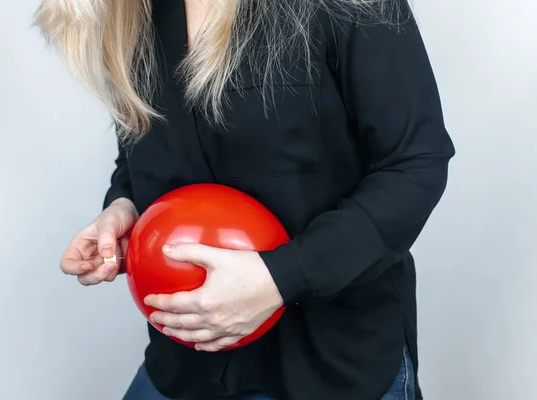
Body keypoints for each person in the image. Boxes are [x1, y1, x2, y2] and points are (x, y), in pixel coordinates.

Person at [35, 0, 455, 399]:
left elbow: (415, 163)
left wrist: (281, 278)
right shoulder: (132, 13)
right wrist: (123, 206)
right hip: (187, 367)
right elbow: (140, 148)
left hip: (335, 366)